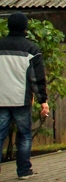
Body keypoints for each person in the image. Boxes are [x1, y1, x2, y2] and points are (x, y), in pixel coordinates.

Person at [0, 12, 49, 180]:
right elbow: (37, 78)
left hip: (1, 99)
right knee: (24, 135)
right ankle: (24, 171)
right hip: (21, 100)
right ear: (25, 27)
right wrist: (43, 101)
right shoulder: (31, 49)